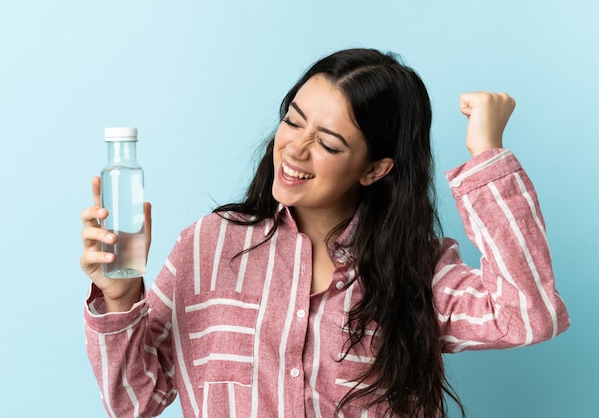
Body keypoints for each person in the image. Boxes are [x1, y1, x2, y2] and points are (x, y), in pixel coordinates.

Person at [80, 48, 570, 418]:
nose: (296, 148)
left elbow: (528, 317)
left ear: (375, 169)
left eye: (329, 143)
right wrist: (120, 297)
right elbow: (135, 399)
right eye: (293, 120)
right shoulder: (209, 246)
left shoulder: (416, 270)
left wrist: (486, 153)